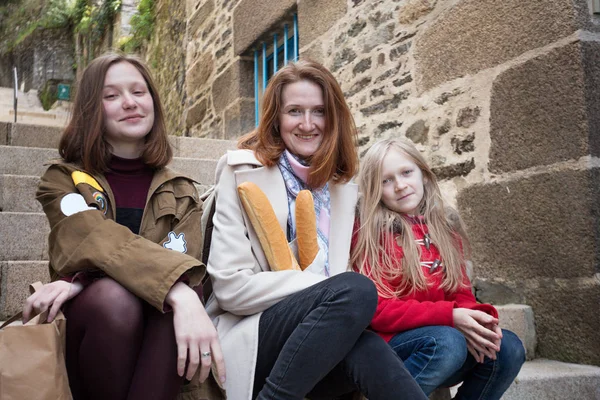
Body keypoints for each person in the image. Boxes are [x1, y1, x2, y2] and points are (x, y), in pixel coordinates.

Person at [204, 59, 426, 400]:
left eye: (319, 112)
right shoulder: (241, 172)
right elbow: (232, 288)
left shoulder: (341, 187)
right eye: (295, 111)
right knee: (356, 290)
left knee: (365, 345)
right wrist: (326, 289)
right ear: (276, 119)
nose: (308, 124)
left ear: (332, 117)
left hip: (318, 340)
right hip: (254, 334)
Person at [22, 53, 225, 400]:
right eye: (111, 95)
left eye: (139, 92)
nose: (129, 103)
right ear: (92, 109)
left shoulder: (182, 191)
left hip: (157, 337)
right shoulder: (62, 180)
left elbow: (184, 262)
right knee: (118, 299)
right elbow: (90, 237)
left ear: (154, 103)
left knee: (166, 310)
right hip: (91, 332)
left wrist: (83, 278)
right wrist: (178, 291)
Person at [351, 138, 525, 399]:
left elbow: (461, 293)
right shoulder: (369, 233)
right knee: (447, 342)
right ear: (375, 190)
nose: (400, 185)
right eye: (386, 181)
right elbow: (378, 311)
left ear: (423, 174)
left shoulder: (444, 228)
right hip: (390, 348)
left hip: (440, 340)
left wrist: (479, 321)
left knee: (507, 347)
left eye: (406, 172)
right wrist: (451, 316)